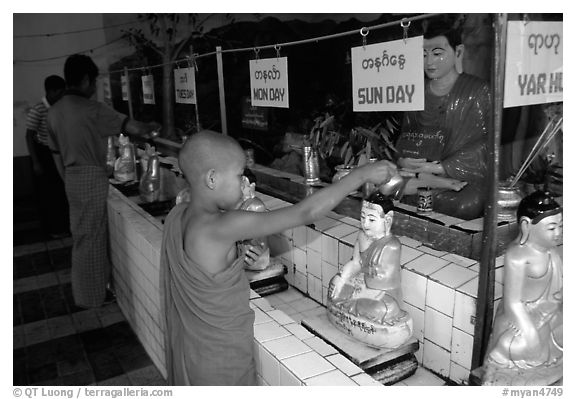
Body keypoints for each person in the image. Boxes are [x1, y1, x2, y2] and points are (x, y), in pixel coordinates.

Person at [160, 130, 397, 385]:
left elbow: (204, 263)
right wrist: (361, 175)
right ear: (212, 178)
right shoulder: (221, 225)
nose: (244, 185)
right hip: (220, 358)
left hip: (192, 349)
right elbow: (305, 213)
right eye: (239, 176)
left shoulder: (180, 216)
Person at [47, 54, 160, 309]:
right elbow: (134, 128)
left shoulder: (53, 112)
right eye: (94, 82)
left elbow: (55, 154)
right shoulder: (92, 109)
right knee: (93, 238)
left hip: (71, 177)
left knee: (82, 235)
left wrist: (68, 179)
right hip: (90, 175)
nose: (95, 88)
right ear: (86, 79)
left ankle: (88, 292)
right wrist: (154, 127)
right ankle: (93, 297)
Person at [395, 19, 491, 220]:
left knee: (468, 204)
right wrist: (405, 158)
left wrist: (440, 168)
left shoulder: (477, 90)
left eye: (437, 54)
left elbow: (485, 143)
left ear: (458, 52)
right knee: (390, 187)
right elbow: (407, 136)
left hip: (460, 176)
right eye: (423, 55)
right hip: (418, 175)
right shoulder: (415, 91)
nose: (429, 62)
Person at [482, 191, 562, 386]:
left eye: (561, 226)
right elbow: (512, 303)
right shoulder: (517, 256)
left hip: (547, 311)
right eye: (551, 228)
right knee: (516, 345)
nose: (558, 233)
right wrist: (531, 333)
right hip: (519, 319)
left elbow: (558, 292)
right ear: (526, 225)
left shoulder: (552, 252)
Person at [327, 191, 413, 349]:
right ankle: (350, 306)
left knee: (384, 310)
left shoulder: (391, 245)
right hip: (362, 287)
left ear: (387, 220)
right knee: (334, 286)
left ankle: (352, 308)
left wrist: (358, 290)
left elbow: (382, 282)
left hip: (382, 294)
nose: (365, 224)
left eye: (372, 219)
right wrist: (341, 278)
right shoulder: (362, 236)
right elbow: (355, 263)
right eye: (362, 217)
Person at [25, 75, 69, 238]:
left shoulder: (59, 107)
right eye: (60, 92)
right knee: (48, 194)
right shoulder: (38, 109)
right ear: (51, 91)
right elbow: (29, 136)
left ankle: (62, 227)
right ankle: (53, 230)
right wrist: (35, 162)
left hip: (57, 152)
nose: (62, 95)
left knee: (60, 192)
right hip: (43, 154)